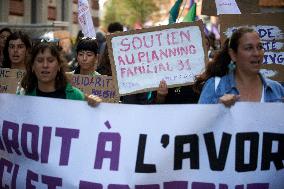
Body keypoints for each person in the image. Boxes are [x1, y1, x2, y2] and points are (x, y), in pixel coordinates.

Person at [194, 27, 284, 107]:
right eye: (249, 48)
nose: (257, 53)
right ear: (233, 54)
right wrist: (218, 108)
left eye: (260, 47)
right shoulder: (215, 87)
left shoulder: (276, 89)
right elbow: (199, 125)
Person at [19, 42, 101, 106]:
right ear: (33, 66)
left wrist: (93, 105)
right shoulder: (22, 96)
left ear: (59, 66)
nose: (45, 65)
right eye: (40, 60)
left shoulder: (76, 96)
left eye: (50, 60)